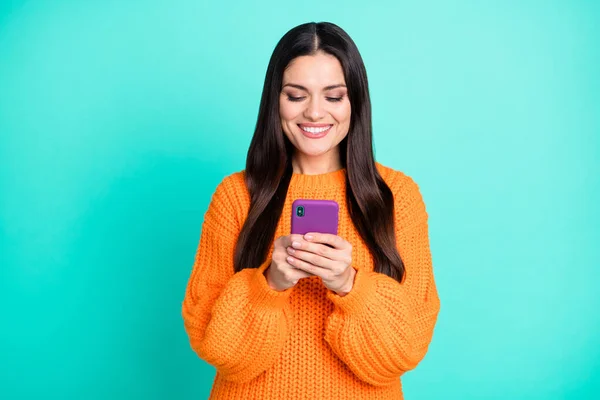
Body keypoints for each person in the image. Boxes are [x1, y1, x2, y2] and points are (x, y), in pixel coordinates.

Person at [182, 21, 441, 399]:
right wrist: (269, 283)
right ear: (275, 100)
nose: (315, 113)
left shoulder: (396, 196)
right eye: (296, 95)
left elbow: (405, 351)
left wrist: (349, 285)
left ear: (356, 103)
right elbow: (216, 347)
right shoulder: (236, 196)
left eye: (333, 97)